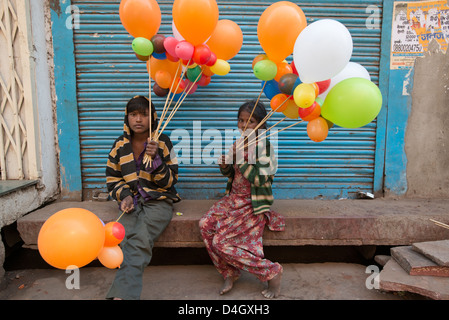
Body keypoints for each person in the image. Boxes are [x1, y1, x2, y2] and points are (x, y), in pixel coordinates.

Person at [199, 99, 285, 299]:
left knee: (221, 243)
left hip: (251, 203)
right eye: (241, 121)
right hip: (232, 200)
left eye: (250, 121)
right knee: (205, 225)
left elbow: (262, 179)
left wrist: (240, 160)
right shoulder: (238, 143)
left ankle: (271, 271)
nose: (244, 126)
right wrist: (225, 165)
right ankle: (229, 272)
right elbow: (232, 174)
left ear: (261, 124)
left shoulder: (266, 148)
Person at [105, 95, 180, 300]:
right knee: (122, 235)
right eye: (133, 114)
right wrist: (125, 196)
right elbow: (113, 178)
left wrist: (156, 159)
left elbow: (170, 181)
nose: (138, 119)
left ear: (153, 117)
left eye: (144, 114)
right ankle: (126, 281)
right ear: (127, 117)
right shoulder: (120, 145)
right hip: (131, 202)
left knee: (139, 242)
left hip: (158, 201)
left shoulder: (162, 142)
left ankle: (122, 296)